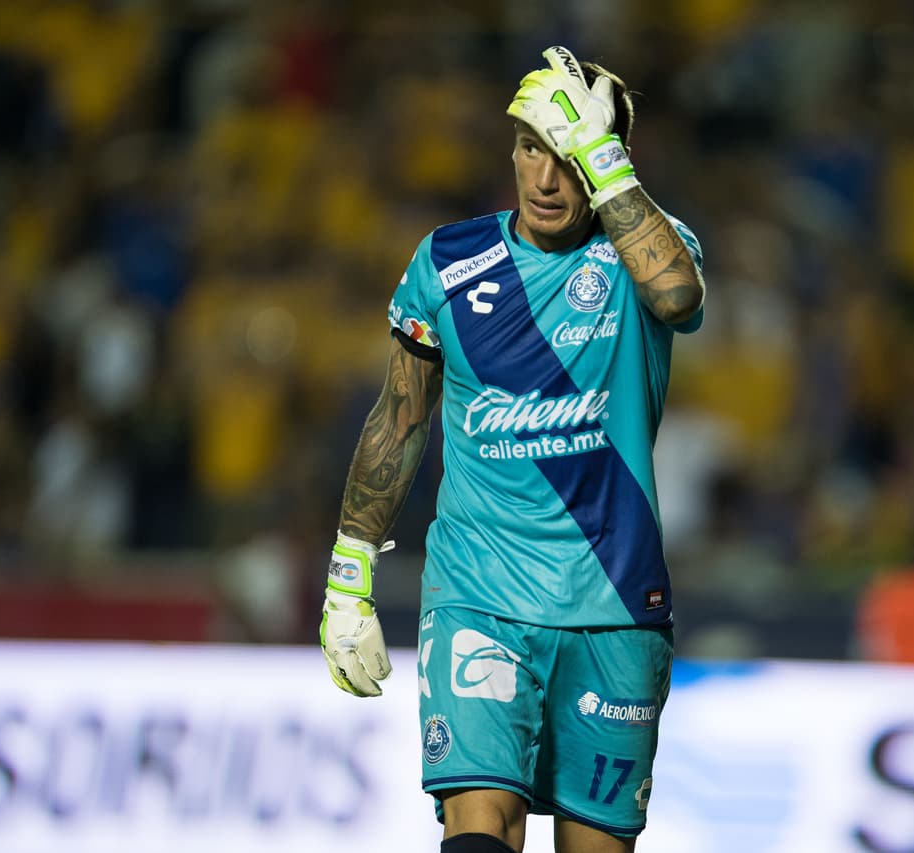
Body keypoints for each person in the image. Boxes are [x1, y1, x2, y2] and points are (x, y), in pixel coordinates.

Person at [319, 46, 706, 853]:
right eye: (532, 147)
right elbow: (399, 418)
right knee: (479, 827)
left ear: (606, 163)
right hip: (479, 596)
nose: (547, 178)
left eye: (570, 156)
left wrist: (607, 159)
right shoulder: (450, 263)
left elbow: (676, 295)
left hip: (616, 608)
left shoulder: (646, 253)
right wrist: (349, 572)